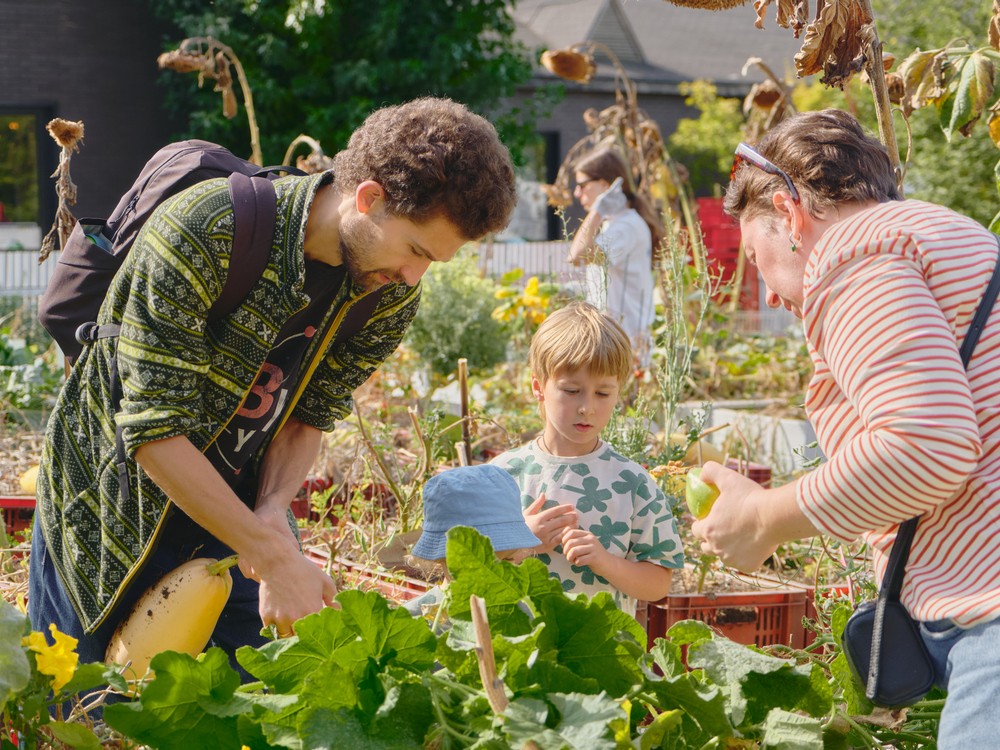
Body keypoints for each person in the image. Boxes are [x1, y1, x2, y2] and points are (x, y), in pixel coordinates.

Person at [28, 96, 518, 670]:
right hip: (106, 506)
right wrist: (270, 551)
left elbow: (311, 414)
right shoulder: (207, 226)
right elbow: (153, 431)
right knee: (84, 709)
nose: (415, 276)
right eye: (415, 249)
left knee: (255, 702)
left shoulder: (388, 294)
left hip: (236, 513)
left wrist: (270, 515)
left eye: (434, 261)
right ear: (370, 198)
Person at [696, 108, 1000, 748]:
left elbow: (927, 446)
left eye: (758, 260)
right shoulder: (955, 236)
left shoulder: (852, 253)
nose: (771, 296)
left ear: (792, 212)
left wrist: (765, 517)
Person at [490, 301, 684, 618]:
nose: (587, 407)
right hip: (517, 658)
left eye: (603, 393)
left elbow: (658, 583)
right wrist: (522, 542)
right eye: (571, 390)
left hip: (602, 654)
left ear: (619, 392)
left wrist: (603, 560)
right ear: (538, 386)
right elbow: (469, 568)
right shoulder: (502, 476)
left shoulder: (632, 483)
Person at [402, 463, 541, 629]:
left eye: (507, 560)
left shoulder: (525, 616)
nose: (492, 576)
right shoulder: (411, 621)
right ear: (440, 558)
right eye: (474, 564)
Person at [565, 148, 663, 367]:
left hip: (625, 343)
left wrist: (597, 211)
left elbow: (576, 256)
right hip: (616, 341)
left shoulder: (626, 226)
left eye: (582, 185)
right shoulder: (616, 225)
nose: (577, 194)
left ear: (606, 186)